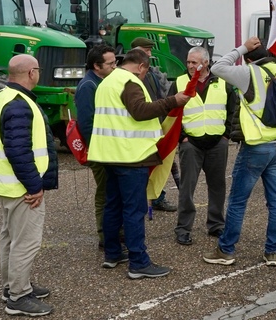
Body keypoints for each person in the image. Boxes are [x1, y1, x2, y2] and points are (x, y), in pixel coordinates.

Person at [88, 47, 190, 279]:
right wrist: (172, 101)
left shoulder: (106, 82)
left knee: (112, 205)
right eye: (145, 71)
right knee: (134, 210)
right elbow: (140, 111)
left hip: (108, 154)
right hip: (130, 156)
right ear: (142, 66)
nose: (145, 76)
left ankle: (113, 254)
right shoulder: (129, 82)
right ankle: (139, 262)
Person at [203, 35, 276, 267]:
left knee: (238, 201)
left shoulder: (249, 73)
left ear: (249, 59)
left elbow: (218, 67)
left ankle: (226, 250)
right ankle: (272, 252)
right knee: (275, 201)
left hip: (256, 146)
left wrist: (241, 48)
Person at [0, 53, 58, 317]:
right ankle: (18, 296)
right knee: (26, 242)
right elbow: (18, 149)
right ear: (32, 72)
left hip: (6, 184)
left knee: (10, 238)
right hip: (21, 187)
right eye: (39, 69)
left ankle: (11, 286)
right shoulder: (19, 104)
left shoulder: (2, 97)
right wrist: (34, 186)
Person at [169, 46, 236, 246]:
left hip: (217, 144)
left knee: (217, 186)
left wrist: (225, 135)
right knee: (187, 187)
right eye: (188, 62)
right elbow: (170, 111)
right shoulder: (179, 83)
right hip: (191, 144)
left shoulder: (223, 82)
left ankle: (216, 224)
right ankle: (183, 228)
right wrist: (182, 138)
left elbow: (233, 109)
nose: (190, 66)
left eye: (194, 62)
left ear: (206, 63)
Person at [74, 44, 118, 249]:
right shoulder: (88, 86)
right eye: (110, 63)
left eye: (115, 62)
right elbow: (86, 123)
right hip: (99, 151)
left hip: (109, 148)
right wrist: (97, 150)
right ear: (96, 66)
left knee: (113, 190)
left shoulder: (104, 81)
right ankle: (105, 236)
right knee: (105, 192)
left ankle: (115, 231)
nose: (114, 67)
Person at [129, 36, 179, 212]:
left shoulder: (152, 74)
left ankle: (158, 197)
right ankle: (147, 198)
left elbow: (159, 97)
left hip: (155, 126)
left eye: (150, 51)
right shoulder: (131, 78)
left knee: (163, 163)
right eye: (145, 51)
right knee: (147, 166)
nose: (149, 54)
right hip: (141, 129)